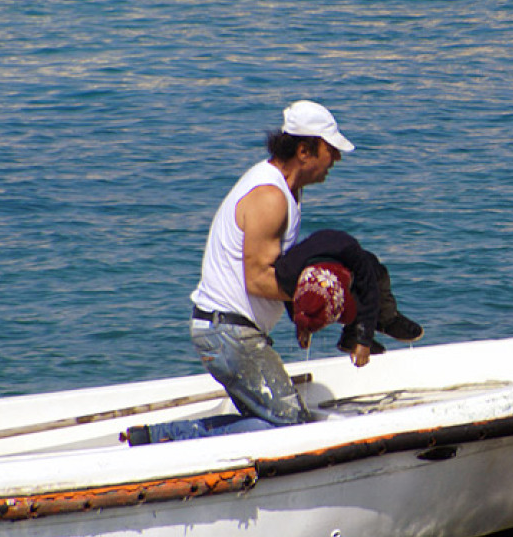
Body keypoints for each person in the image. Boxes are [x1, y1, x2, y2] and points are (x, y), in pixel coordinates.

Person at [124, 100, 355, 445]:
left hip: (227, 328)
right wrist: (323, 297)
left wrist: (301, 316)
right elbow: (259, 280)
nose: (336, 159)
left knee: (271, 425)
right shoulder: (270, 197)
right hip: (228, 332)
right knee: (290, 430)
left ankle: (155, 439)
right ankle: (162, 439)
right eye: (330, 149)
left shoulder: (286, 189)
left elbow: (274, 269)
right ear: (304, 150)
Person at [274, 228, 423, 358]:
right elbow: (292, 301)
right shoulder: (287, 274)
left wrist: (363, 341)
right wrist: (303, 326)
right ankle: (350, 338)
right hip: (310, 259)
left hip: (345, 253)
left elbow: (370, 296)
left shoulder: (354, 258)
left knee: (376, 276)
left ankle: (386, 320)